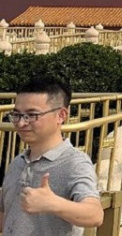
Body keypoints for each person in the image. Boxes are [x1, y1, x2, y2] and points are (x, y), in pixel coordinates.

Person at [1, 76, 103, 235]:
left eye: (31, 115)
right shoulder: (17, 162)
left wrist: (52, 204)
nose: (21, 123)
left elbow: (95, 215)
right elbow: (5, 218)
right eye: (17, 115)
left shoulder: (75, 162)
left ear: (61, 115)